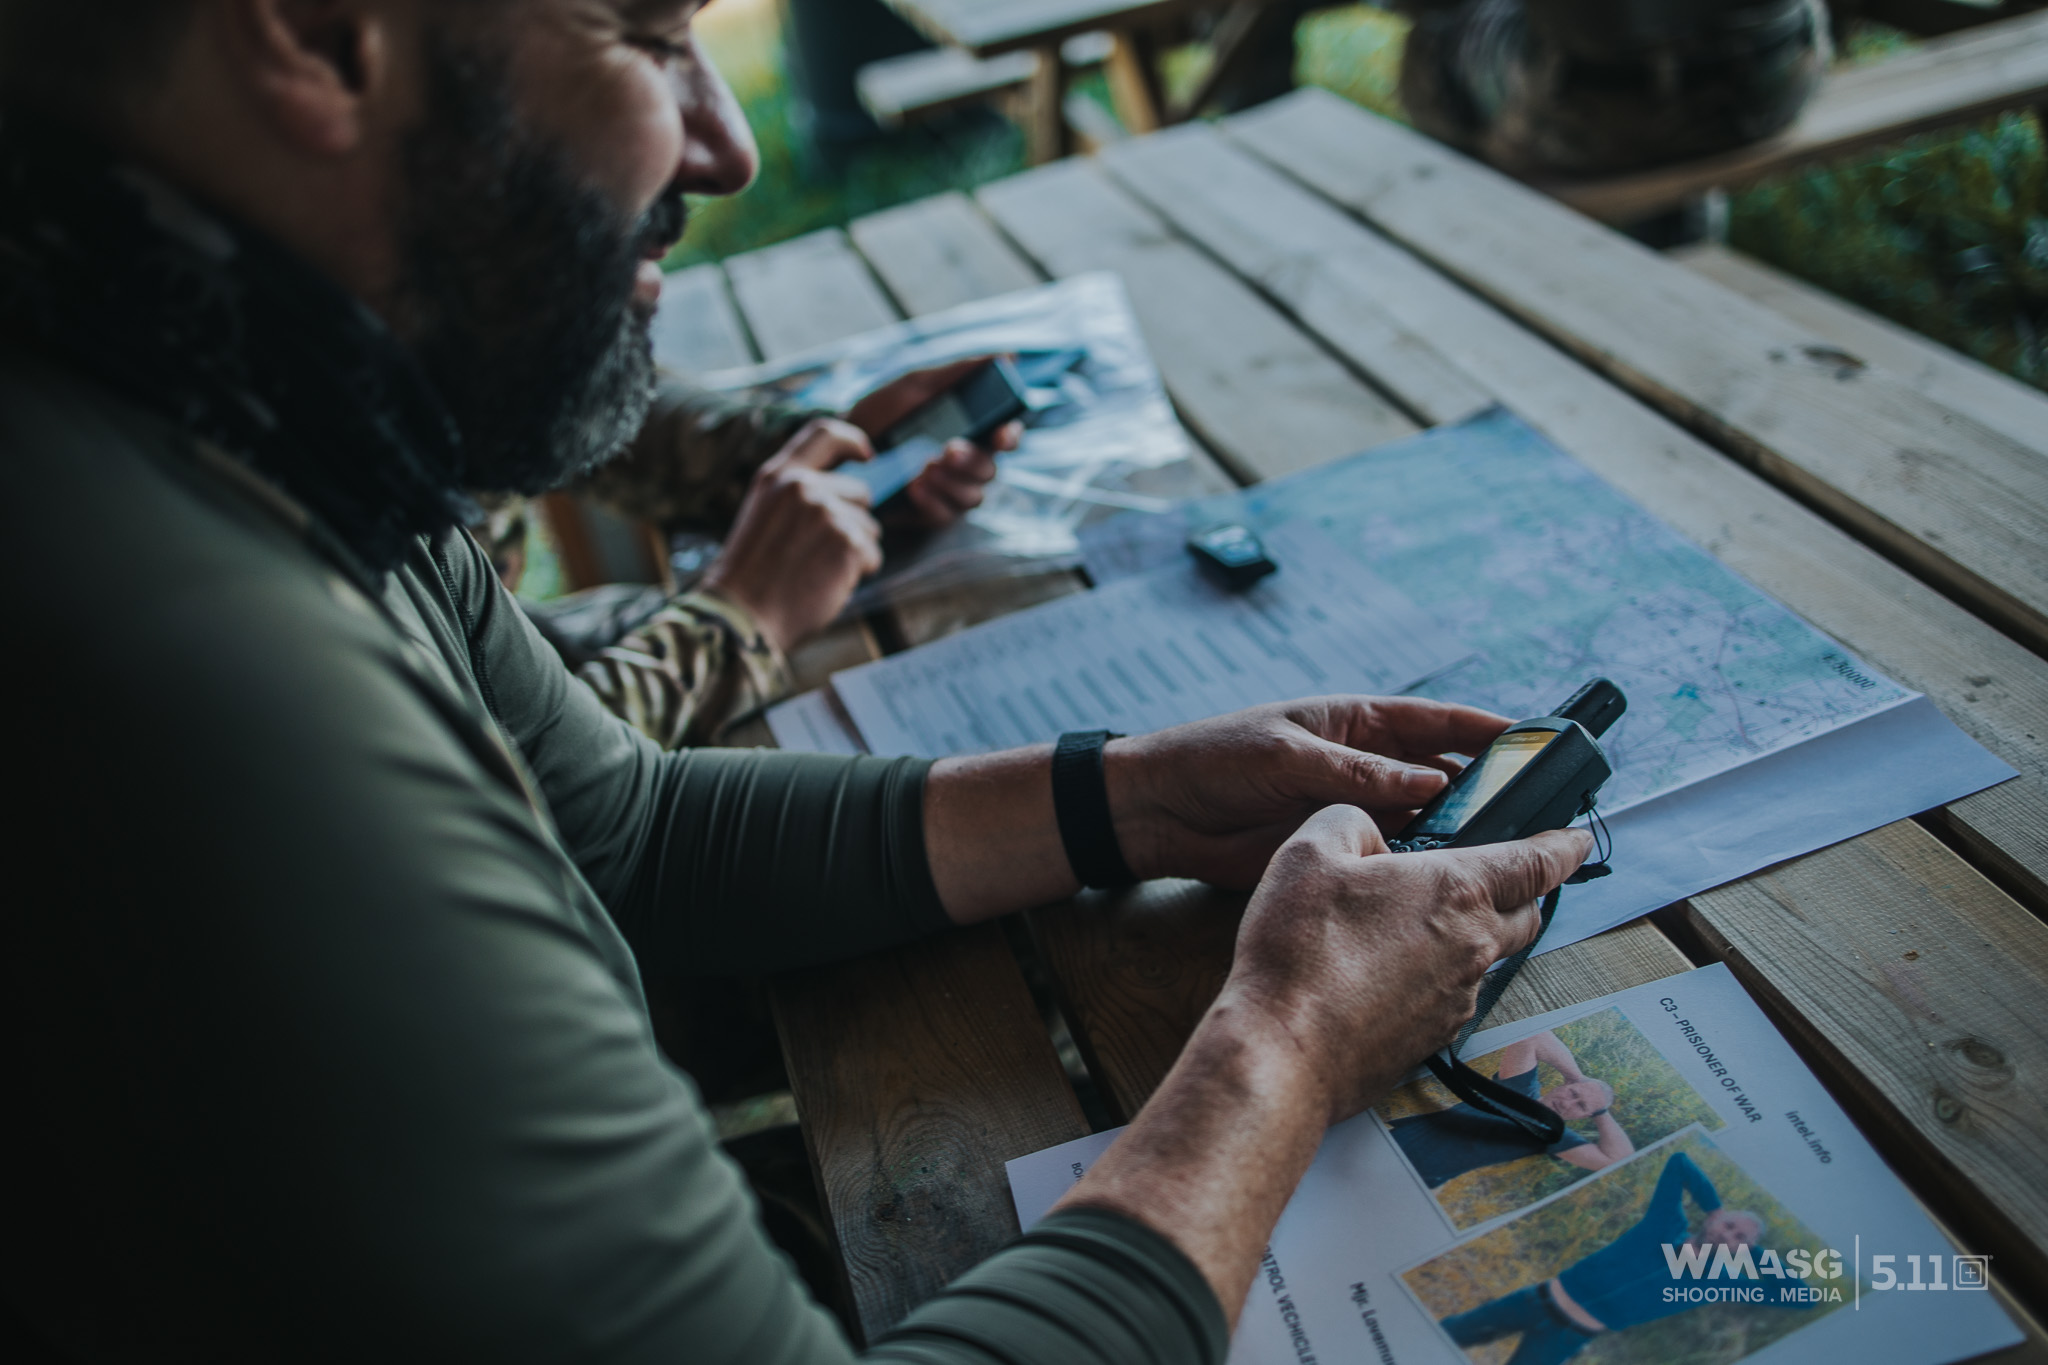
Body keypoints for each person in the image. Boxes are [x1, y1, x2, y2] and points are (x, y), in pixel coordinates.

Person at [0, 3, 1593, 1363]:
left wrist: (1132, 797)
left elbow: (622, 832)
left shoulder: (257, 404)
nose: (726, 144)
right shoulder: (191, 693)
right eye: (648, 35)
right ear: (310, 35)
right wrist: (1286, 1046)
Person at [482, 361, 1015, 749]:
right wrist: (738, 620)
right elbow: (524, 783)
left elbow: (554, 384)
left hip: (551, 646)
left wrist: (796, 450)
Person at [1397, 0, 1830, 179]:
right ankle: (1671, 235)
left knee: (1435, 42)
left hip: (1591, 117)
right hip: (1778, 84)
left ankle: (1494, 267)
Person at [1441, 1151, 1773, 1365]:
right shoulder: (1665, 1224)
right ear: (1716, 1219)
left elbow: (1791, 1292)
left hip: (1566, 1337)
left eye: (1740, 1238)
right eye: (1729, 1225)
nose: (1727, 1235)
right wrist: (1714, 1207)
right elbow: (1679, 1164)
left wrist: (1752, 1254)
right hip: (1533, 1301)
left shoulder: (1719, 1281)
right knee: (1446, 1335)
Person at [1388, 1027, 1636, 1187]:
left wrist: (1601, 1111)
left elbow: (1617, 1159)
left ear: (1586, 1116)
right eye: (1572, 1093)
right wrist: (1578, 1078)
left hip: (1413, 1178)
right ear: (1565, 1085)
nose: (1567, 1102)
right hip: (1395, 1141)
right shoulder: (1519, 1089)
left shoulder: (1552, 1136)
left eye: (1580, 1105)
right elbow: (1535, 1037)